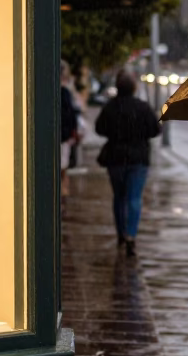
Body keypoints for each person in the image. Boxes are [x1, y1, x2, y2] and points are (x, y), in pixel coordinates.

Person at [95, 69, 160, 256]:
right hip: (138, 158)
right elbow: (155, 130)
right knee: (134, 198)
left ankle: (121, 234)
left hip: (115, 158)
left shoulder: (110, 107)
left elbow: (99, 128)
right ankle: (131, 235)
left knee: (119, 197)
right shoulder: (143, 108)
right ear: (133, 87)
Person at [60, 60, 79, 201]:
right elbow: (71, 114)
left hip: (62, 135)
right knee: (62, 166)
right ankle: (63, 189)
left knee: (62, 165)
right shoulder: (65, 92)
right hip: (63, 136)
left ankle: (63, 189)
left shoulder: (64, 92)